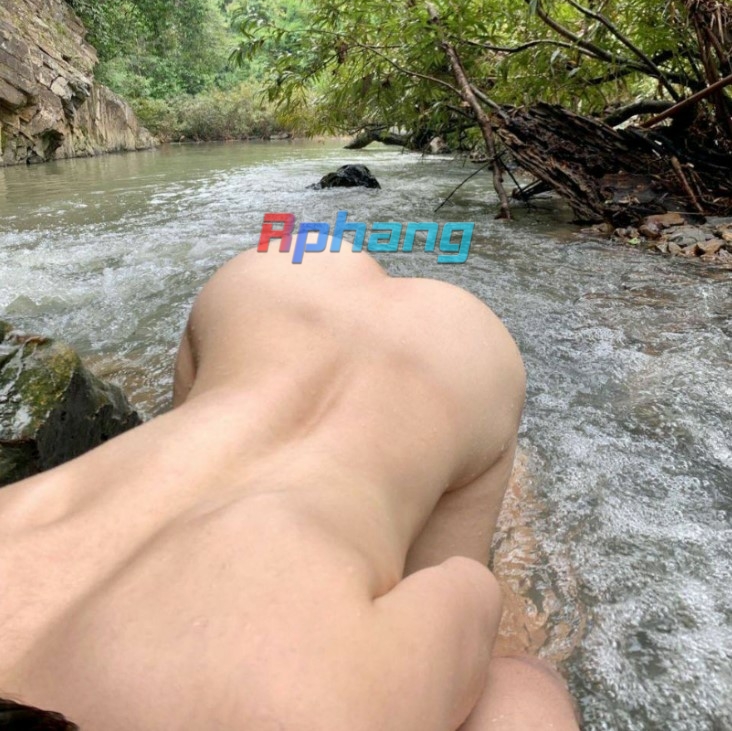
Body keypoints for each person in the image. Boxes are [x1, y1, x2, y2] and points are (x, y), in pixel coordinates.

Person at [0, 241, 580, 730]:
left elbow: (471, 591)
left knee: (518, 682)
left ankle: (429, 481)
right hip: (264, 283)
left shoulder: (316, 705)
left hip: (460, 361)